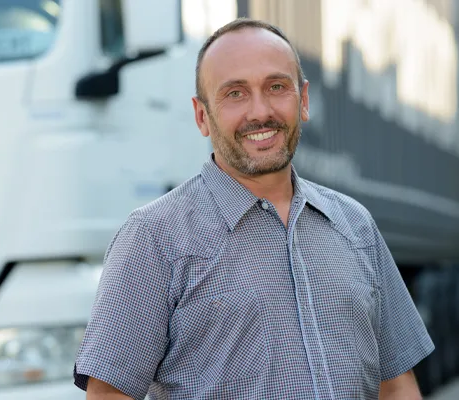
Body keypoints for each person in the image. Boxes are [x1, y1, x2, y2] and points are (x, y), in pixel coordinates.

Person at [74, 18, 434, 400]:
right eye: (235, 94)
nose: (260, 112)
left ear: (304, 99)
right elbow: (110, 394)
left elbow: (396, 385)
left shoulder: (355, 225)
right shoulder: (152, 237)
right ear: (201, 116)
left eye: (276, 87)